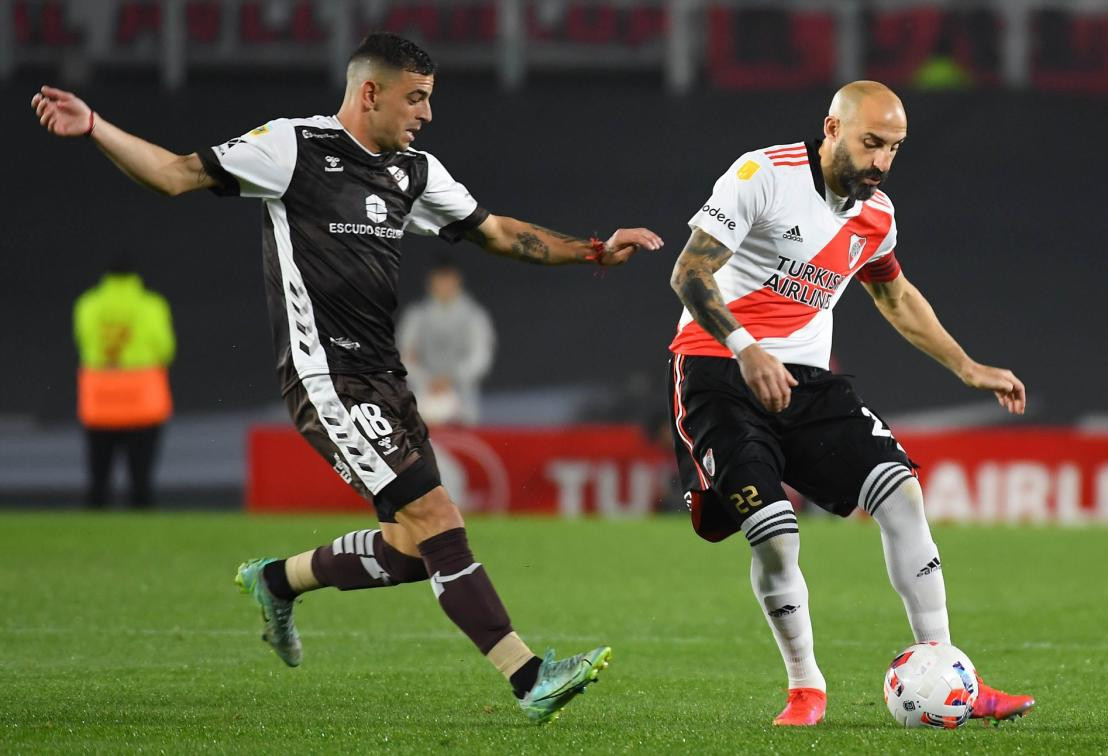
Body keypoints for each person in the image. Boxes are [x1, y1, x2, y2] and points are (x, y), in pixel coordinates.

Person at [32, 33, 663, 724]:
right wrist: (95, 126)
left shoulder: (413, 171)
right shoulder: (291, 147)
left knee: (413, 552)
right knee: (438, 519)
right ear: (370, 93)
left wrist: (594, 250)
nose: (425, 114)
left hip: (385, 378)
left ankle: (275, 580)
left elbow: (499, 232)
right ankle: (529, 676)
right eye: (415, 99)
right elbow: (174, 173)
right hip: (324, 375)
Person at [665, 80, 1034, 726]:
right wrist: (748, 347)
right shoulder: (762, 175)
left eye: (894, 148)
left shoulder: (876, 215)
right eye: (872, 143)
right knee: (776, 538)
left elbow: (895, 297)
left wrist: (967, 366)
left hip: (807, 384)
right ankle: (806, 688)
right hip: (719, 372)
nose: (883, 162)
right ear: (832, 128)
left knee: (902, 493)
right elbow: (688, 272)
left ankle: (951, 675)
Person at [74, 260, 175, 509]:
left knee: (98, 481)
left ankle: (91, 537)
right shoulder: (152, 305)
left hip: (100, 401)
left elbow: (83, 342)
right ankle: (146, 536)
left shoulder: (88, 304)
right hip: (142, 401)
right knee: (141, 482)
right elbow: (165, 349)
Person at [398, 258, 495, 425]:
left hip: (463, 401)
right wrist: (427, 380)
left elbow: (481, 357)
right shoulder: (417, 316)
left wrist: (452, 378)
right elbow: (403, 356)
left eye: (448, 279)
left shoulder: (474, 316)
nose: (444, 284)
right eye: (439, 279)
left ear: (457, 280)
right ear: (430, 282)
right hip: (423, 398)